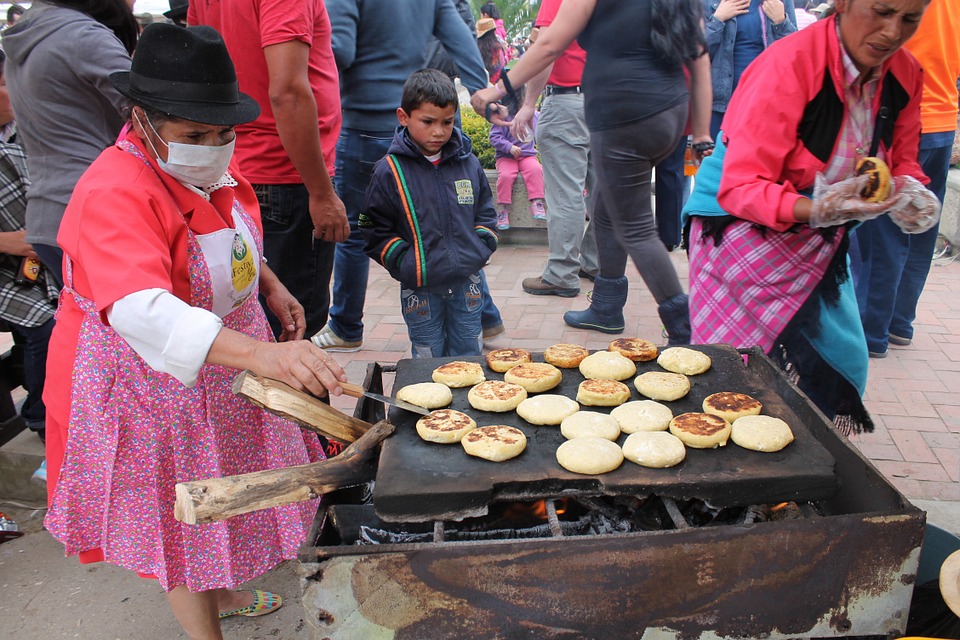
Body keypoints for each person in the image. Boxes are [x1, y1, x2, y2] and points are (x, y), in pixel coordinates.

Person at [42, 24, 347, 639]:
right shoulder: (114, 188)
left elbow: (226, 233)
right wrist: (260, 354)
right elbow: (141, 308)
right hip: (149, 378)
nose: (213, 147)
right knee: (179, 508)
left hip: (221, 362)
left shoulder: (204, 168)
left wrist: (268, 283)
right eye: (195, 135)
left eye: (223, 133)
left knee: (219, 486)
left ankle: (223, 587)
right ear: (142, 119)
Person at [682, 0, 937, 432]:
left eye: (910, 19)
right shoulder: (788, 64)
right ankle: (723, 469)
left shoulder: (905, 74)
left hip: (818, 236)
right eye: (881, 11)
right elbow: (742, 186)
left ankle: (797, 466)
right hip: (739, 226)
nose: (893, 32)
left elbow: (901, 159)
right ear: (843, 4)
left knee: (840, 354)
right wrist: (817, 208)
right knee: (739, 366)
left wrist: (911, 187)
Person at [473, 0, 713, 342]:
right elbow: (700, 58)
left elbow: (550, 43)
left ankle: (686, 331)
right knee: (604, 204)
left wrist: (496, 89)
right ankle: (606, 306)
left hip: (623, 115)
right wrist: (701, 134)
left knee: (636, 227)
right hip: (668, 110)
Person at [315, 0, 502, 353]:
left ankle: (345, 324)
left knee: (356, 231)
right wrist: (482, 92)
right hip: (424, 112)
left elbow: (338, 49)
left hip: (371, 123)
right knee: (450, 217)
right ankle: (486, 316)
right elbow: (460, 38)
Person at [189, 0, 349, 340]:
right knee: (294, 326)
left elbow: (200, 65)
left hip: (238, 168)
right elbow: (287, 91)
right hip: (285, 175)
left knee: (255, 316)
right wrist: (322, 193)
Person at [361, 69, 498, 358]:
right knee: (427, 358)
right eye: (428, 122)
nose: (438, 131)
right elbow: (373, 228)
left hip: (467, 284)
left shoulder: (468, 163)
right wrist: (404, 261)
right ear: (404, 117)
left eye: (447, 122)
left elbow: (485, 210)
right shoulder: (389, 171)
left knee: (469, 355)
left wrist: (481, 245)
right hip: (419, 289)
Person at [2, 0, 138, 288]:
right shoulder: (83, 36)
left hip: (46, 216)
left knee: (86, 326)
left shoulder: (28, 38)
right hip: (95, 213)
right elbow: (153, 117)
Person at [854, 0, 960, 357]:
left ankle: (872, 333)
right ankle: (899, 323)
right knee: (920, 229)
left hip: (899, 120)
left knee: (882, 235)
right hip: (942, 119)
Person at [510, 0, 599, 299]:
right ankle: (595, 262)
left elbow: (546, 48)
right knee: (606, 193)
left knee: (565, 195)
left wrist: (527, 104)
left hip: (568, 102)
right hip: (610, 100)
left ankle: (562, 274)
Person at [0, 50, 57, 481]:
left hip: (37, 263)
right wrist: (11, 243)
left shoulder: (22, 134)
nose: (12, 92)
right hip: (8, 268)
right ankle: (39, 415)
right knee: (45, 328)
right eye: (4, 85)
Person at [705, 0, 797, 140]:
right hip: (720, 103)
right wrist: (718, 19)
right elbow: (696, 51)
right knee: (717, 159)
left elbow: (794, 51)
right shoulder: (711, 3)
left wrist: (780, 22)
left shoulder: (780, 2)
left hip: (764, 102)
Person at [489, 91, 547, 230]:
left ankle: (537, 202)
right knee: (506, 176)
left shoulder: (534, 116)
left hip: (527, 155)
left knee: (536, 170)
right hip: (507, 157)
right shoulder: (504, 118)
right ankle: (503, 209)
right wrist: (509, 147)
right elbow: (494, 137)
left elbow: (541, 131)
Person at [477, 17, 509, 84]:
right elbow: (502, 64)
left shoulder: (475, 48)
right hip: (496, 86)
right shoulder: (498, 48)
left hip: (480, 83)